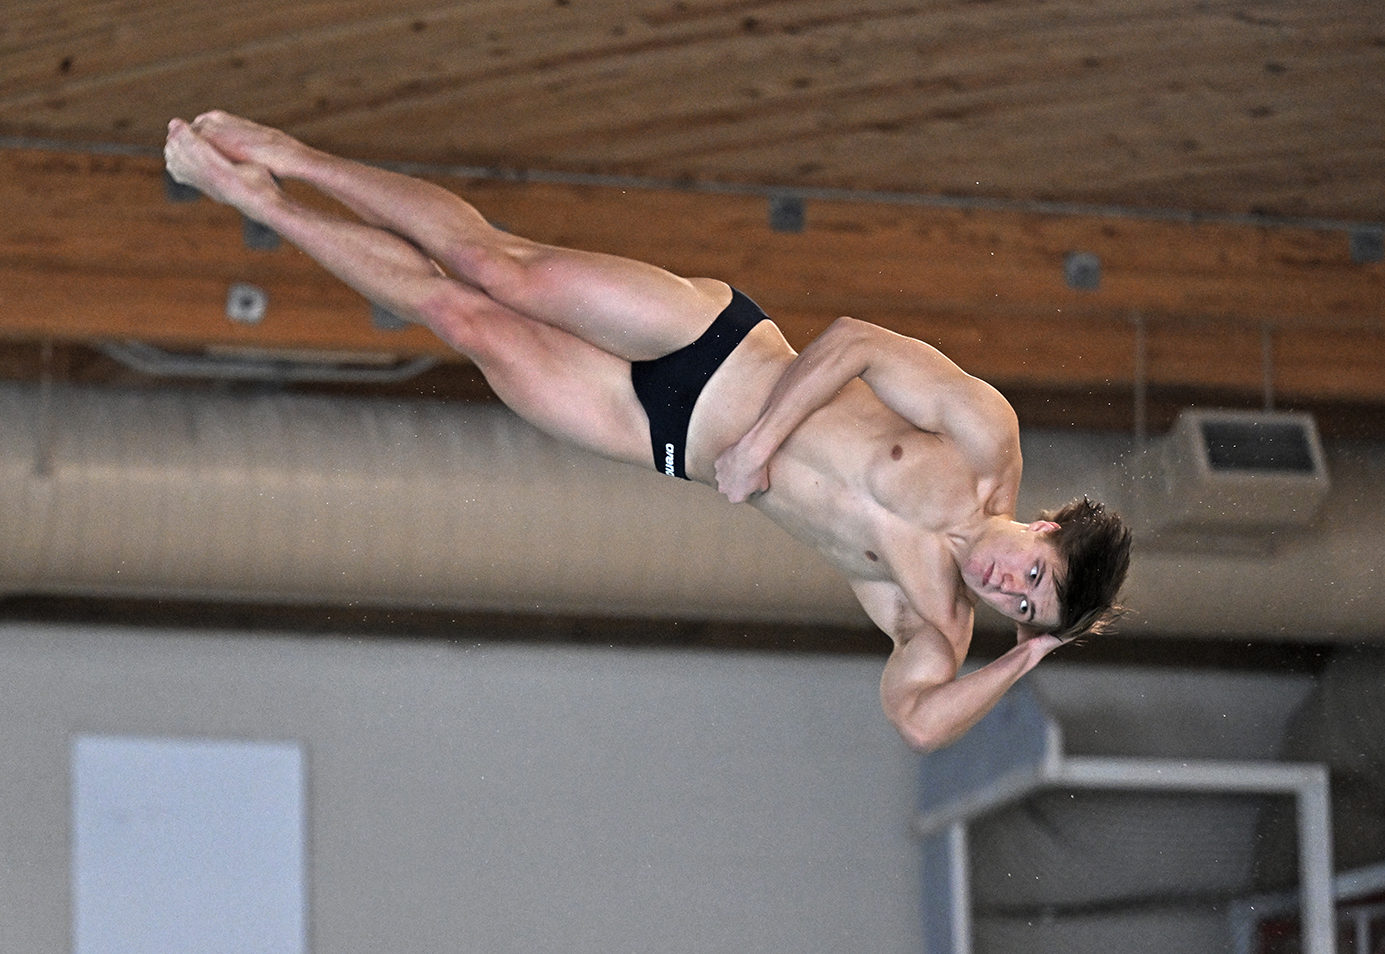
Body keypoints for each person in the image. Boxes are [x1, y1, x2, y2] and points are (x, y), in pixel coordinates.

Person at [164, 111, 1131, 752]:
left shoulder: (933, 619)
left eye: (1022, 610)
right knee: (492, 264)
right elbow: (856, 342)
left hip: (658, 437)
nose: (1007, 590)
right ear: (1046, 527)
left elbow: (917, 723)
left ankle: (254, 200)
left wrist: (1026, 657)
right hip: (713, 345)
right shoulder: (983, 439)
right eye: (1033, 578)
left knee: (460, 319)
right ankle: (286, 156)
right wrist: (761, 444)